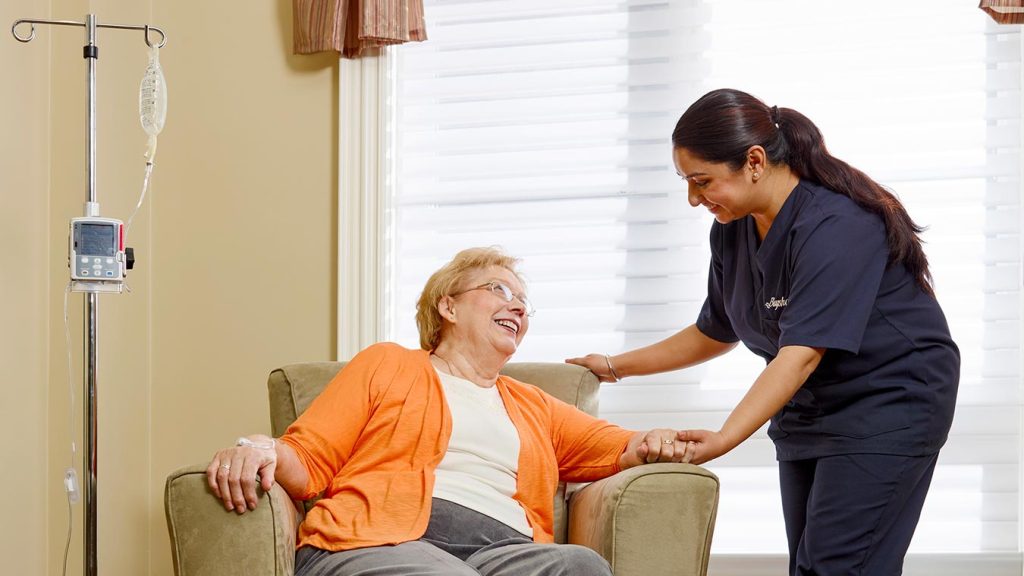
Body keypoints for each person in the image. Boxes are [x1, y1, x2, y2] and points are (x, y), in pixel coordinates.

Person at [567, 88, 960, 576]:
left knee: (838, 566)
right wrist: (611, 366)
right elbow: (715, 330)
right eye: (687, 183)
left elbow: (801, 354)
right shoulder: (733, 228)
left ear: (754, 160)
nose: (693, 198)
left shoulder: (837, 224)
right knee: (811, 566)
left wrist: (724, 439)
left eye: (701, 180)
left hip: (890, 402)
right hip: (810, 410)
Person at [208, 247, 695, 576]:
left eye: (525, 302)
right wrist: (262, 447)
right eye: (500, 291)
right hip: (380, 543)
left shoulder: (533, 405)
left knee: (581, 567)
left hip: (502, 554)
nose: (519, 308)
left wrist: (657, 442)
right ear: (448, 306)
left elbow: (619, 445)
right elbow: (310, 458)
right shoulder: (389, 363)